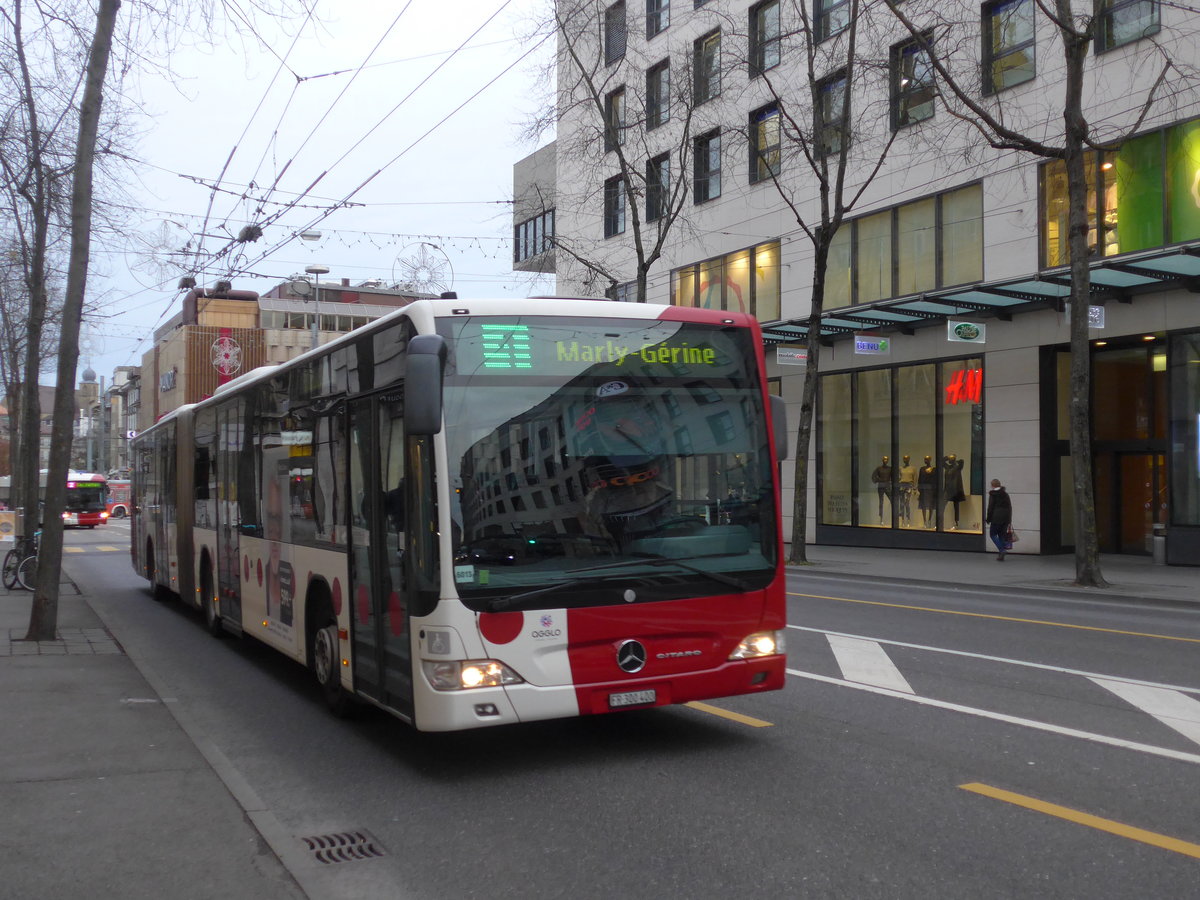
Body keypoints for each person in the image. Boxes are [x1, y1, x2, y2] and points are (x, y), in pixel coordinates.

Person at [985, 478, 1013, 560]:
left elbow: (990, 508)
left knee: (992, 534)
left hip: (996, 517)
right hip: (1005, 517)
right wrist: (1009, 520)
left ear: (992, 485)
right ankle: (1001, 555)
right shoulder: (1005, 494)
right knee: (1001, 534)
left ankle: (1002, 549)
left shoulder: (993, 494)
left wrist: (988, 519)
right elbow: (1009, 507)